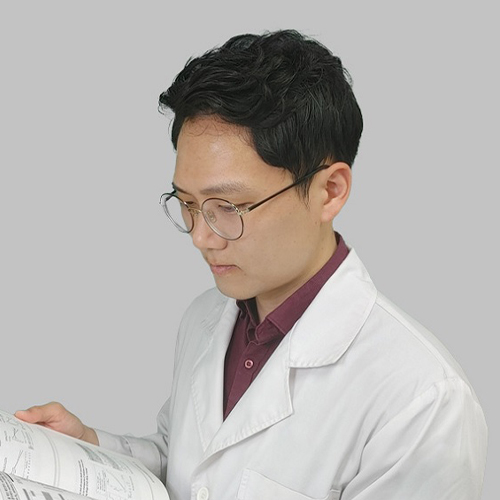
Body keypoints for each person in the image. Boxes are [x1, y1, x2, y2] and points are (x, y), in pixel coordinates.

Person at [16, 30, 487, 500]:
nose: (201, 236)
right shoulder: (205, 317)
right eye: (187, 203)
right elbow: (189, 467)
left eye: (228, 207)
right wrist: (89, 448)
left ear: (330, 191)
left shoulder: (421, 402)